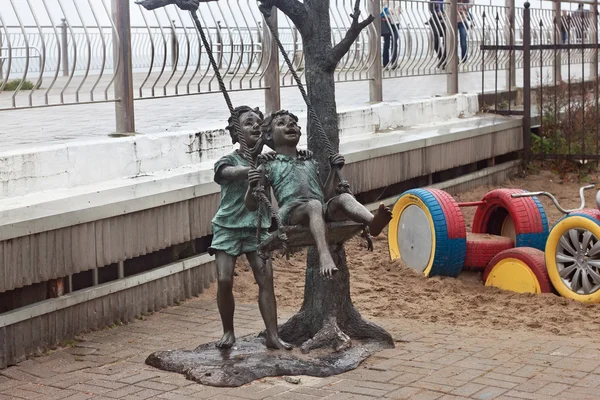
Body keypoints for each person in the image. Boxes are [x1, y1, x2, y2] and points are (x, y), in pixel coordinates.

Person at [245, 110, 392, 277]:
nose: (290, 125)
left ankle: (372, 223)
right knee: (313, 205)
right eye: (281, 123)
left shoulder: (309, 161)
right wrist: (252, 186)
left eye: (293, 123)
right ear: (269, 136)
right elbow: (251, 205)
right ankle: (324, 255)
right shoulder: (268, 165)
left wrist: (333, 171)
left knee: (343, 197)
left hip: (318, 209)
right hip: (292, 212)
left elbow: (324, 196)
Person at [209, 106, 292, 351]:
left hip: (257, 227)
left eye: (258, 123)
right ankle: (228, 331)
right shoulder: (227, 161)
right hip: (228, 227)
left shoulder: (269, 159)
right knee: (224, 280)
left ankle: (273, 335)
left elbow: (291, 165)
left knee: (266, 279)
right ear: (236, 134)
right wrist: (251, 170)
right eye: (248, 123)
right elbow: (229, 173)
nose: (255, 126)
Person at [381, 3, 400, 68]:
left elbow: (399, 10)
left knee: (394, 42)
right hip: (387, 22)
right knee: (387, 43)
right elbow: (380, 10)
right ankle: (385, 63)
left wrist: (399, 10)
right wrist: (388, 10)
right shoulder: (384, 2)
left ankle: (394, 62)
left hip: (396, 22)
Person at [429, 0, 446, 69]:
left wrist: (443, 13)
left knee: (446, 42)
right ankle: (441, 58)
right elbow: (431, 9)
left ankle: (445, 59)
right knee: (435, 42)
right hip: (435, 20)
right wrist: (437, 12)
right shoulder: (432, 1)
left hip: (445, 20)